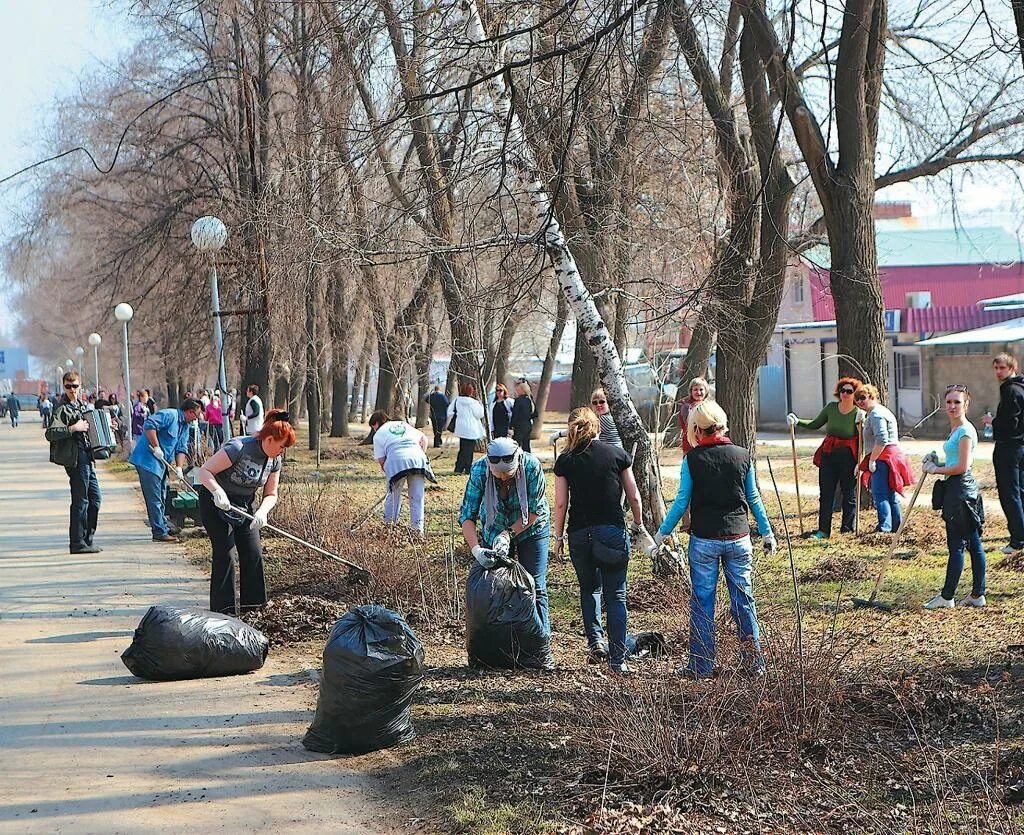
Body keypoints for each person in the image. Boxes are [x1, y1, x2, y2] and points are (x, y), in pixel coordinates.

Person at [650, 401, 776, 678]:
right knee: (744, 601)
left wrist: (661, 534)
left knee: (702, 603)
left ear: (697, 429)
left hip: (704, 540)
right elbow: (753, 497)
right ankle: (754, 664)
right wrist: (767, 532)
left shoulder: (692, 460)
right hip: (739, 537)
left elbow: (681, 502)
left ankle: (701, 665)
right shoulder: (742, 455)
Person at [552, 408, 653, 674]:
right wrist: (638, 523)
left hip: (579, 534)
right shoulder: (616, 454)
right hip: (611, 531)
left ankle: (595, 642)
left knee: (589, 590)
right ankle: (618, 661)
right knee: (616, 595)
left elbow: (561, 503)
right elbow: (634, 495)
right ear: (597, 427)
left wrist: (558, 536)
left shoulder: (566, 460)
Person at [196, 408, 295, 614]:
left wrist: (263, 511)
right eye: (281, 446)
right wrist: (217, 492)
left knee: (253, 552)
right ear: (269, 439)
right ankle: (224, 613)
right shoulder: (239, 447)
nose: (282, 451)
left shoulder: (274, 460)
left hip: (244, 506)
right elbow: (204, 471)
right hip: (216, 502)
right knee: (226, 554)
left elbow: (271, 493)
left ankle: (254, 611)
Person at [459, 436, 552, 638]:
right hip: (494, 528)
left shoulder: (531, 467)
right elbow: (467, 515)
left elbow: (534, 510)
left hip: (532, 528)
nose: (503, 479)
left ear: (517, 463)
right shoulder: (479, 471)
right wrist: (476, 550)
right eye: (498, 475)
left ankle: (540, 642)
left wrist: (509, 534)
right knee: (496, 587)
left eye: (508, 475)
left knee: (535, 584)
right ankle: (504, 641)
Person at [922, 385, 986, 609]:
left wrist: (935, 470)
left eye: (957, 402)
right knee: (973, 543)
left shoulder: (965, 431)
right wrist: (937, 461)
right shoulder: (956, 430)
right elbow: (953, 461)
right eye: (949, 402)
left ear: (966, 404)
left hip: (961, 493)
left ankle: (947, 596)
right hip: (957, 489)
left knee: (958, 545)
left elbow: (961, 466)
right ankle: (977, 595)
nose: (952, 406)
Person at [786, 377, 864, 539]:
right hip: (829, 454)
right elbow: (815, 424)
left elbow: (863, 439)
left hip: (848, 456)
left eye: (849, 391)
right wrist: (797, 421)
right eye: (842, 390)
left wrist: (860, 462)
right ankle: (823, 530)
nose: (845, 394)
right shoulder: (831, 408)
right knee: (826, 493)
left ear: (854, 394)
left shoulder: (858, 413)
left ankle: (847, 529)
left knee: (849, 493)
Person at [128, 398, 203, 542]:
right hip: (148, 460)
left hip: (161, 463)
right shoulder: (169, 415)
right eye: (196, 415)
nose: (197, 418)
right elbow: (149, 425)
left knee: (162, 494)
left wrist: (179, 467)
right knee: (154, 497)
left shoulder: (185, 426)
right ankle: (159, 532)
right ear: (190, 412)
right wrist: (156, 446)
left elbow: (181, 448)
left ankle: (163, 525)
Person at [45, 371, 104, 553]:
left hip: (87, 457)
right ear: (64, 387)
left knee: (95, 499)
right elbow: (50, 433)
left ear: (80, 386)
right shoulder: (61, 409)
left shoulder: (80, 406)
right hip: (76, 459)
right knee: (81, 500)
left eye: (75, 386)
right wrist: (72, 428)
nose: (72, 390)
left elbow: (89, 427)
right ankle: (77, 543)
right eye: (68, 386)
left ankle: (87, 540)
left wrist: (107, 427)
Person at [855, 384, 914, 533]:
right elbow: (870, 436)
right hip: (887, 456)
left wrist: (872, 460)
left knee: (880, 493)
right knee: (889, 493)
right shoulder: (875, 413)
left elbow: (882, 439)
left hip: (884, 458)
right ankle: (896, 525)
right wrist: (859, 424)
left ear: (872, 396)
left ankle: (885, 527)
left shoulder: (876, 414)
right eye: (857, 399)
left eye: (863, 397)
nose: (860, 401)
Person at [369, 410, 436, 535]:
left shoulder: (378, 435)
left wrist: (391, 476)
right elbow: (424, 439)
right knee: (417, 497)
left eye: (374, 428)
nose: (374, 430)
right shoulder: (403, 424)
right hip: (417, 459)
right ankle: (417, 531)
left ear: (376, 423)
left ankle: (389, 528)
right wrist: (421, 454)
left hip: (396, 461)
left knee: (393, 496)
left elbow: (382, 461)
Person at [983, 353, 1024, 553]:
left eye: (1002, 368)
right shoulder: (1020, 387)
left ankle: (1018, 540)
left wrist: (993, 422)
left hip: (1009, 447)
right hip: (1020, 447)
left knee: (1010, 495)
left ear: (1012, 368)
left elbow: (1010, 423)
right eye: (996, 368)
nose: (998, 372)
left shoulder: (1010, 390)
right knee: (1020, 492)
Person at [549, 387, 623, 449]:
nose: (598, 405)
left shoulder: (604, 419)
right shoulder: (613, 417)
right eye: (595, 403)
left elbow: (580, 429)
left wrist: (558, 434)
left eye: (602, 402)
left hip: (611, 454)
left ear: (608, 403)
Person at [447, 381, 486, 474]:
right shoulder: (474, 402)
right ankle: (468, 467)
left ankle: (459, 468)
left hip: (461, 428)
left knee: (463, 448)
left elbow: (449, 412)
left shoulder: (457, 401)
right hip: (472, 428)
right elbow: (480, 414)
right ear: (471, 391)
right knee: (469, 449)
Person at [677, 378, 710, 453]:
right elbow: (692, 426)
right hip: (691, 447)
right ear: (691, 391)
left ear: (706, 391)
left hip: (707, 445)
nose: (698, 392)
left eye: (701, 389)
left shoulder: (709, 406)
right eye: (695, 390)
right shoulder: (686, 407)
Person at [510, 379, 536, 452]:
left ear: (522, 390)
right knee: (526, 444)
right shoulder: (530, 400)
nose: (517, 390)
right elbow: (534, 413)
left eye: (518, 389)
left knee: (516, 445)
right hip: (528, 425)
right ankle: (528, 457)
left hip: (519, 426)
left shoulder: (518, 400)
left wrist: (511, 426)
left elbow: (515, 414)